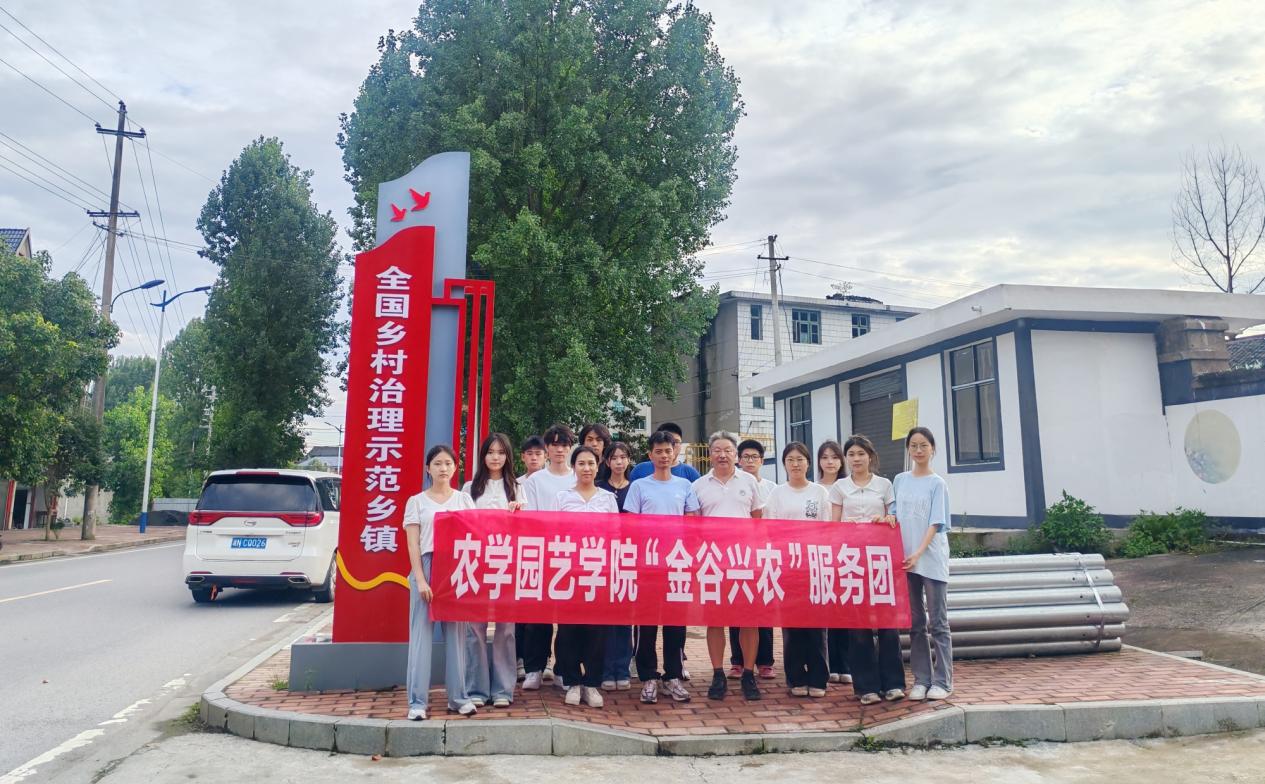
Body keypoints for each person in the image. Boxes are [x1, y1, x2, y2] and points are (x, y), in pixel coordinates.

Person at [403, 444, 478, 720]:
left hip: (456, 567)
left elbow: (476, 535)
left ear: (455, 467)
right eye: (437, 463)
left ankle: (458, 698)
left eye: (448, 463)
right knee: (421, 638)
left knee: (457, 637)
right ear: (428, 469)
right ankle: (417, 702)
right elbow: (413, 544)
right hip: (426, 565)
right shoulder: (416, 502)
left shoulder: (464, 500)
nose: (443, 468)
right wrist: (421, 579)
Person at [624, 429, 700, 704]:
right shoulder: (639, 486)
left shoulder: (685, 485)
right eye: (658, 451)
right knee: (646, 623)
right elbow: (630, 525)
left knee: (675, 622)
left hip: (677, 563)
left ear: (674, 452)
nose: (664, 456)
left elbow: (693, 522)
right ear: (650, 455)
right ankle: (648, 677)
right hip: (648, 564)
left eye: (668, 450)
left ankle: (673, 676)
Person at [829, 434, 904, 705]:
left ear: (870, 456)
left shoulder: (885, 485)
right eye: (851, 454)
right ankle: (866, 687)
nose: (856, 459)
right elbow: (832, 526)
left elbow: (893, 517)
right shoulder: (839, 487)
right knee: (858, 626)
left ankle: (893, 683)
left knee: (887, 624)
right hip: (852, 561)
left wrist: (885, 519)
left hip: (880, 561)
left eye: (861, 453)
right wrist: (844, 528)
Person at [692, 431, 764, 701]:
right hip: (712, 562)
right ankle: (717, 674)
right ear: (709, 454)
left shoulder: (749, 482)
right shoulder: (699, 485)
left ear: (736, 455)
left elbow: (758, 520)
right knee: (715, 620)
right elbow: (694, 527)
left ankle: (748, 674)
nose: (722, 455)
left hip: (744, 561)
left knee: (749, 619)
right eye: (717, 450)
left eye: (728, 450)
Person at [460, 433, 523, 708]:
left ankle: (503, 690)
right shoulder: (469, 488)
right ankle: (476, 687)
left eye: (501, 452)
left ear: (508, 456)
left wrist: (518, 514)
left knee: (506, 628)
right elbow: (461, 525)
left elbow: (528, 529)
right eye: (490, 452)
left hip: (507, 563)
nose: (495, 457)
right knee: (474, 626)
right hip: (475, 563)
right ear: (483, 456)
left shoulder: (517, 488)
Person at [764, 441, 830, 697]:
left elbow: (827, 528)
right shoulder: (777, 494)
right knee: (792, 625)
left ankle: (818, 678)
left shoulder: (819, 492)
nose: (795, 464)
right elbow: (770, 530)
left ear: (808, 463)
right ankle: (796, 678)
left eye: (800, 459)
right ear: (784, 464)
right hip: (787, 567)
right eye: (790, 460)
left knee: (816, 625)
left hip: (814, 565)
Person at [554, 446, 618, 708]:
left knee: (597, 629)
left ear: (598, 465)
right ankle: (572, 682)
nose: (587, 468)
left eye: (591, 463)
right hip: (569, 571)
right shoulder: (562, 497)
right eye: (581, 463)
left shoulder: (608, 499)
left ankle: (591, 683)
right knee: (568, 629)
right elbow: (554, 533)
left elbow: (615, 535)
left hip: (598, 571)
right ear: (574, 467)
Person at [894, 426, 953, 701]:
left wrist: (918, 552)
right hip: (907, 561)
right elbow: (894, 514)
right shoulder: (900, 480)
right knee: (915, 623)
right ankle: (921, 679)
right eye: (914, 445)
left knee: (938, 622)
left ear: (933, 449)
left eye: (924, 446)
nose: (918, 450)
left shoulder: (937, 483)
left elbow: (936, 522)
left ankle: (943, 681)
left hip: (930, 560)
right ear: (908, 448)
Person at [519, 424, 578, 690]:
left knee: (567, 618)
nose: (559, 449)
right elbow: (530, 517)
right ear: (547, 449)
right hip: (541, 552)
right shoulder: (535, 481)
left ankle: (563, 669)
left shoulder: (577, 477)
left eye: (564, 444)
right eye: (554, 445)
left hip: (571, 554)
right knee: (537, 615)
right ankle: (534, 668)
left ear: (570, 448)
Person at [732, 438, 776, 680]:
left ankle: (765, 661)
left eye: (754, 457)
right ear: (739, 460)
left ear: (762, 460)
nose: (750, 461)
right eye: (745, 457)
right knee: (736, 606)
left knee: (763, 608)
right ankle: (737, 661)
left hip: (764, 554)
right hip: (737, 554)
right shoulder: (733, 483)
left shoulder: (773, 489)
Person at [597, 441, 636, 691]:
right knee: (603, 617)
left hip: (629, 559)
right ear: (607, 461)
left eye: (623, 457)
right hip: (601, 558)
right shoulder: (599, 488)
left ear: (629, 460)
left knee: (625, 616)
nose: (619, 462)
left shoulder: (636, 488)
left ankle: (622, 668)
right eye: (614, 457)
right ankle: (605, 669)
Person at [817, 439, 850, 685]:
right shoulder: (813, 489)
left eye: (835, 457)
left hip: (846, 556)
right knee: (824, 613)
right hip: (819, 557)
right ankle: (826, 664)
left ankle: (844, 664)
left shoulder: (849, 487)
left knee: (844, 612)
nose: (830, 462)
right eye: (825, 457)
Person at [628, 422, 701, 482]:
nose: (672, 445)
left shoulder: (691, 474)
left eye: (676, 442)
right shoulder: (640, 470)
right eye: (668, 441)